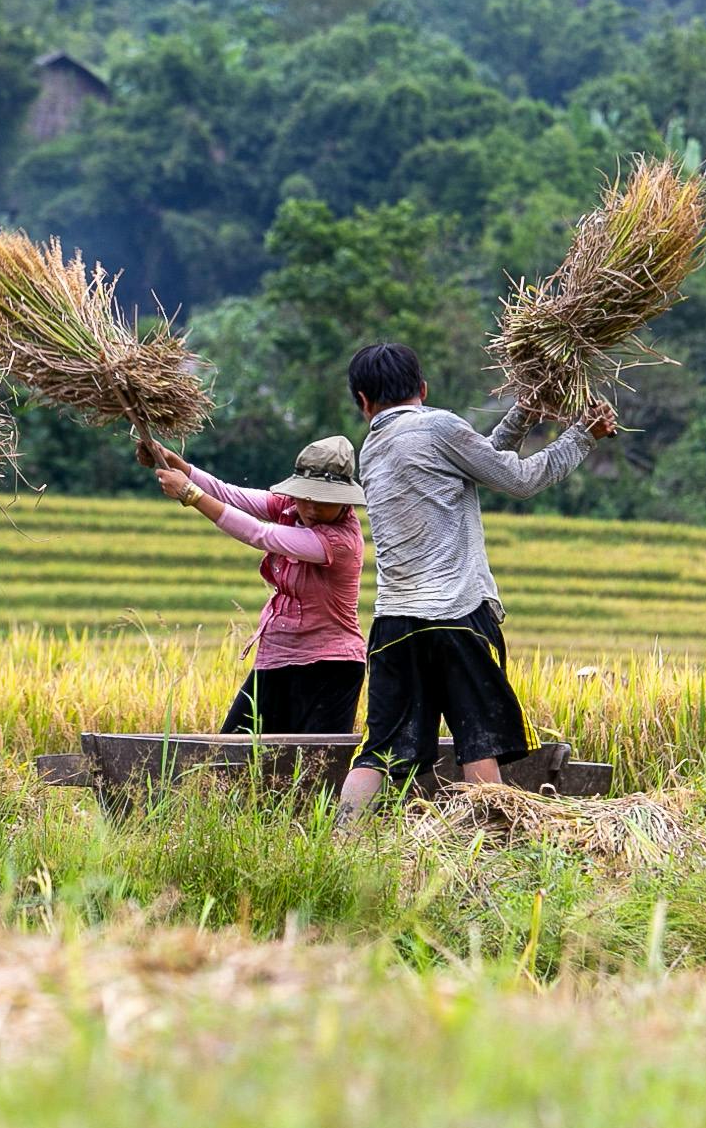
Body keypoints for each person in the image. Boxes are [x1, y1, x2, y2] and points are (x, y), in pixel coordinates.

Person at [338, 342, 616, 826]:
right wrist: (582, 436)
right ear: (422, 388)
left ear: (363, 402)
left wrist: (524, 413)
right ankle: (488, 848)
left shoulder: (374, 448)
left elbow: (477, 458)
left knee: (378, 749)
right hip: (456, 616)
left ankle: (339, 839)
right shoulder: (438, 426)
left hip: (394, 624)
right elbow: (521, 479)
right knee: (477, 736)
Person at [142, 433, 368, 735]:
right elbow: (230, 495)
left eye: (324, 502)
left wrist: (191, 494)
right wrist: (179, 465)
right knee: (234, 754)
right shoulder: (289, 507)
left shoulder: (340, 541)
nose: (312, 509)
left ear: (342, 501)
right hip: (278, 654)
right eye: (306, 498)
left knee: (315, 768)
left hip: (329, 666)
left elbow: (259, 534)